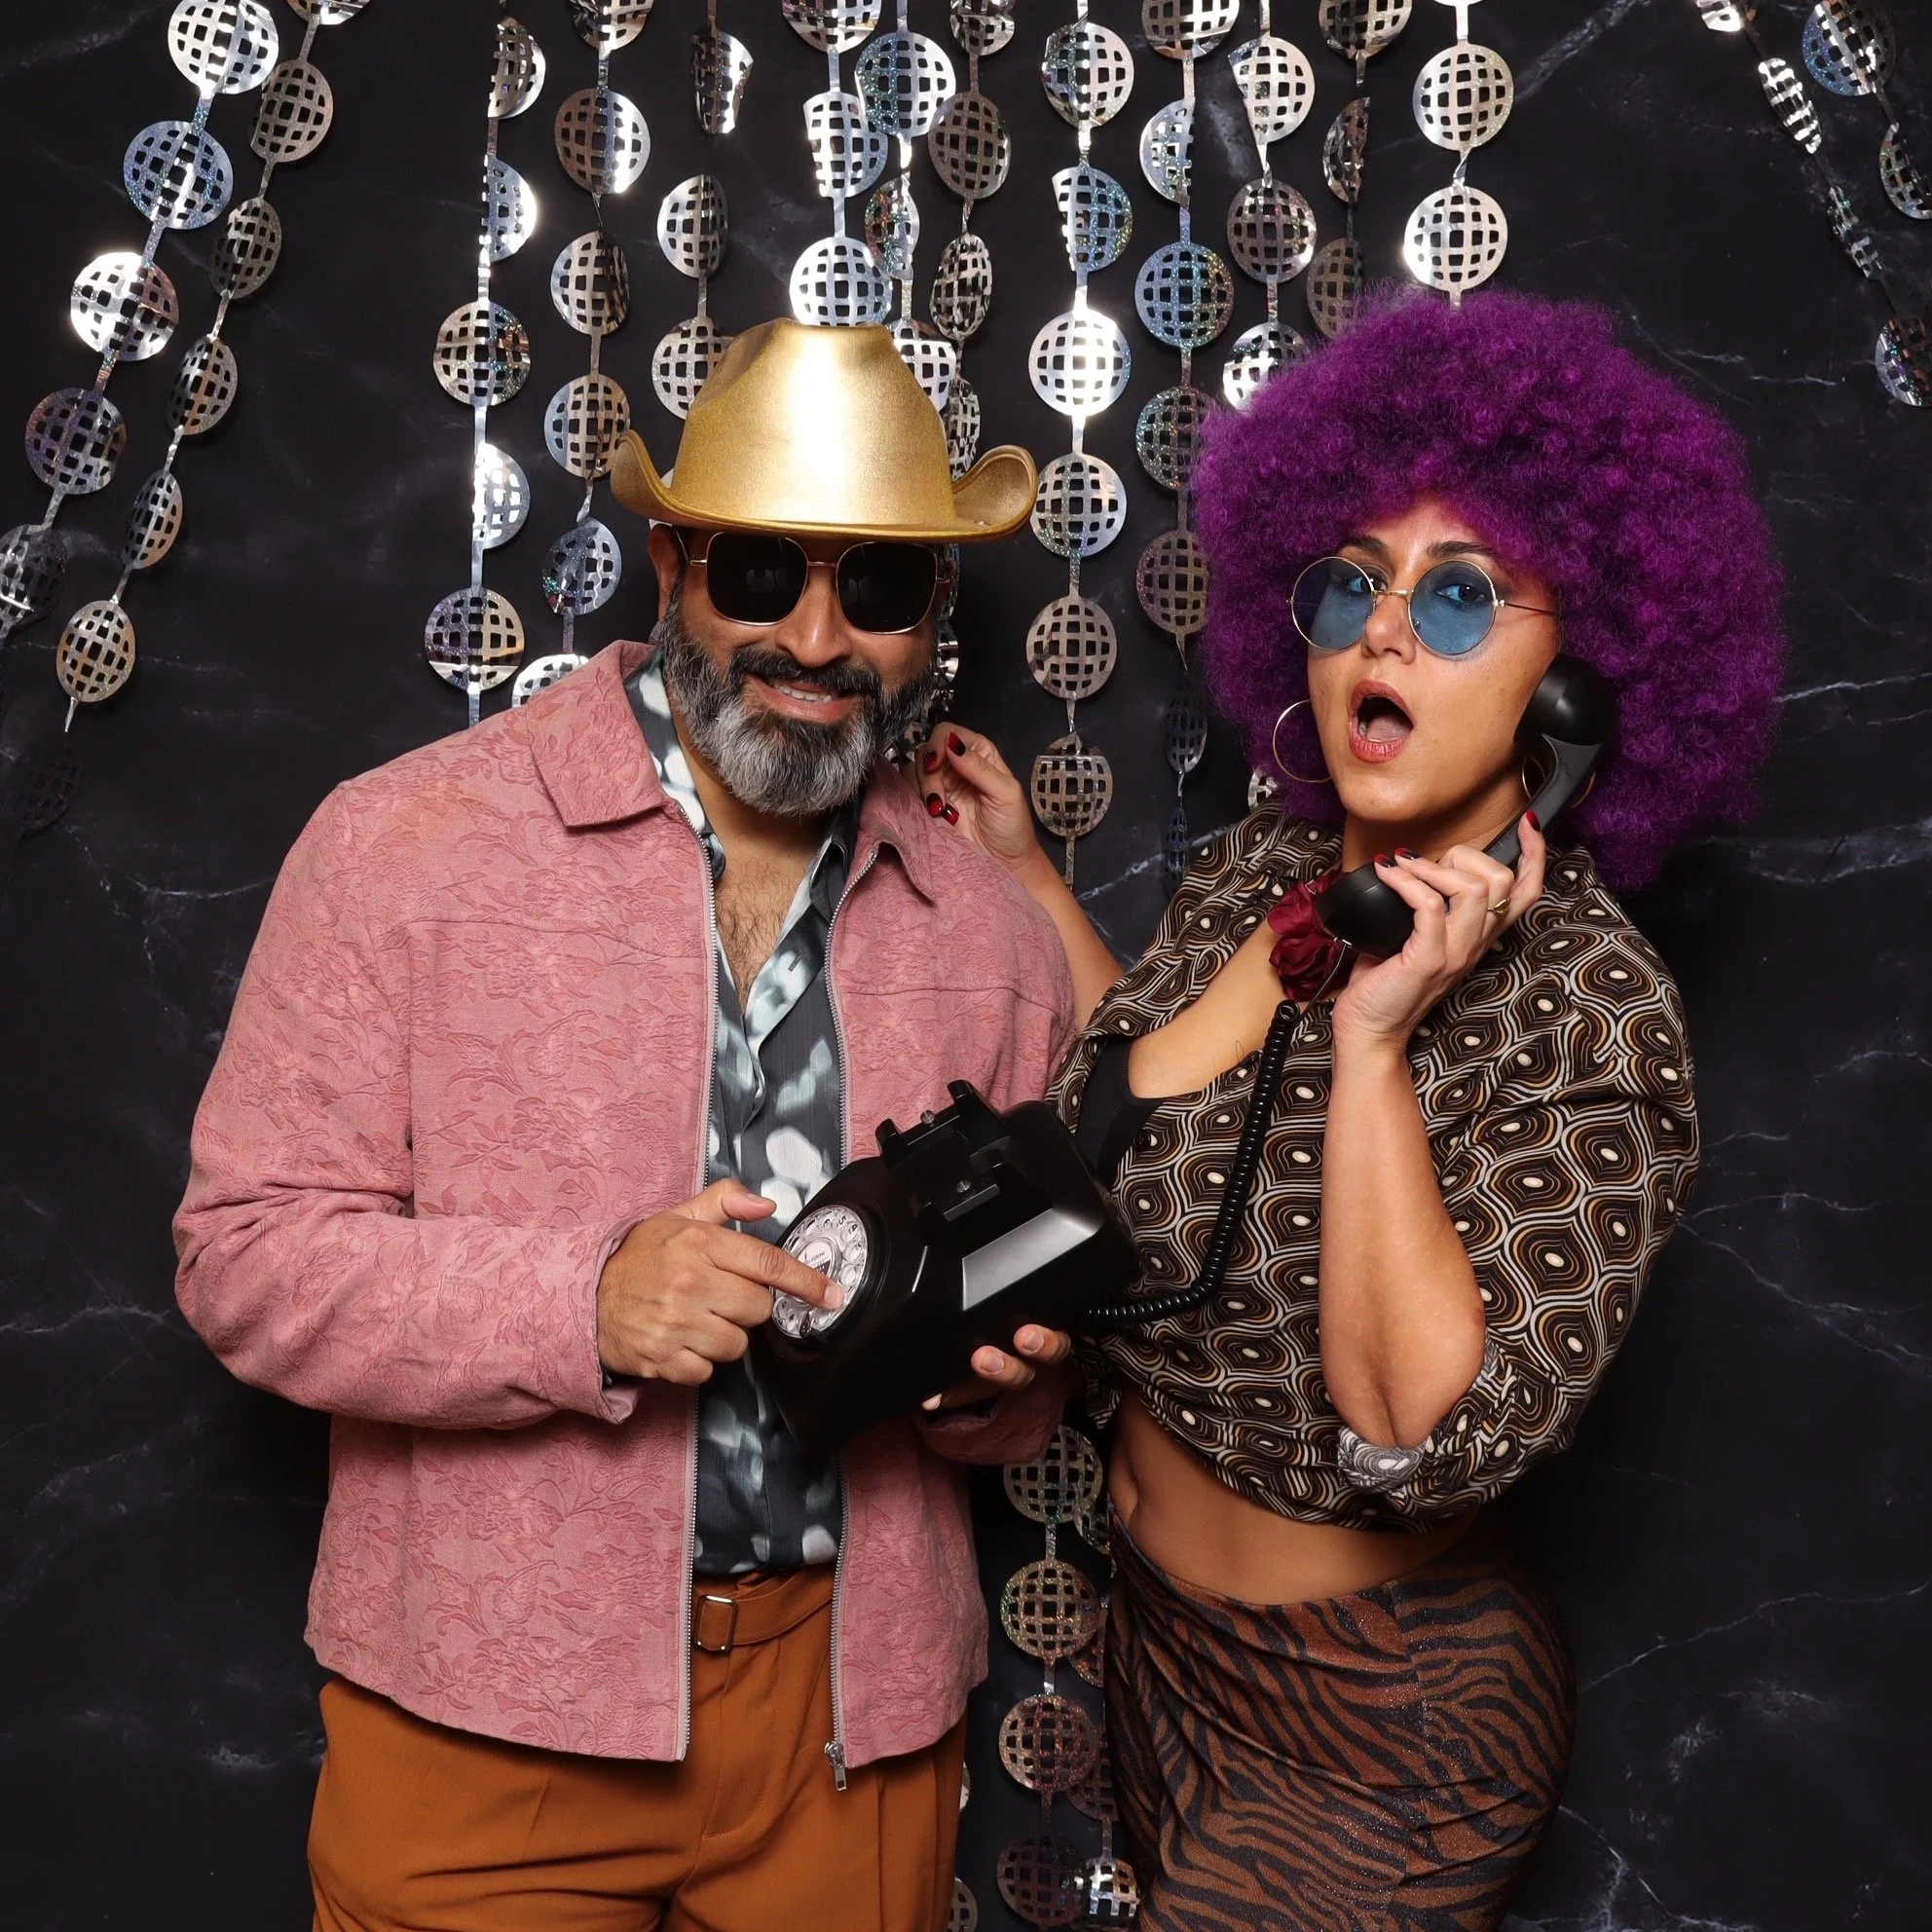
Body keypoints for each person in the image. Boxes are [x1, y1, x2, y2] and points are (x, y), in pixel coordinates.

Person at [173, 319, 1080, 1932]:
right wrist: (583, 1300)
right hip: (486, 1719)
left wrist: (982, 1391)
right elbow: (243, 1260)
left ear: (932, 614)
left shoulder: (991, 931)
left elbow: (1031, 1373)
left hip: (850, 1730)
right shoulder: (402, 845)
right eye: (762, 572)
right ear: (672, 566)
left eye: (878, 588)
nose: (816, 638)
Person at [921, 291, 1784, 1931]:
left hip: (1384, 1720)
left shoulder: (1591, 1007)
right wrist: (1028, 878)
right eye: (1350, 584)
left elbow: (1420, 1430)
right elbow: (1163, 1091)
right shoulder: (1268, 872)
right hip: (1163, 1650)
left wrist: (1376, 1046)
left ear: (1576, 693)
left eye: (1460, 597)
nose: (1384, 633)